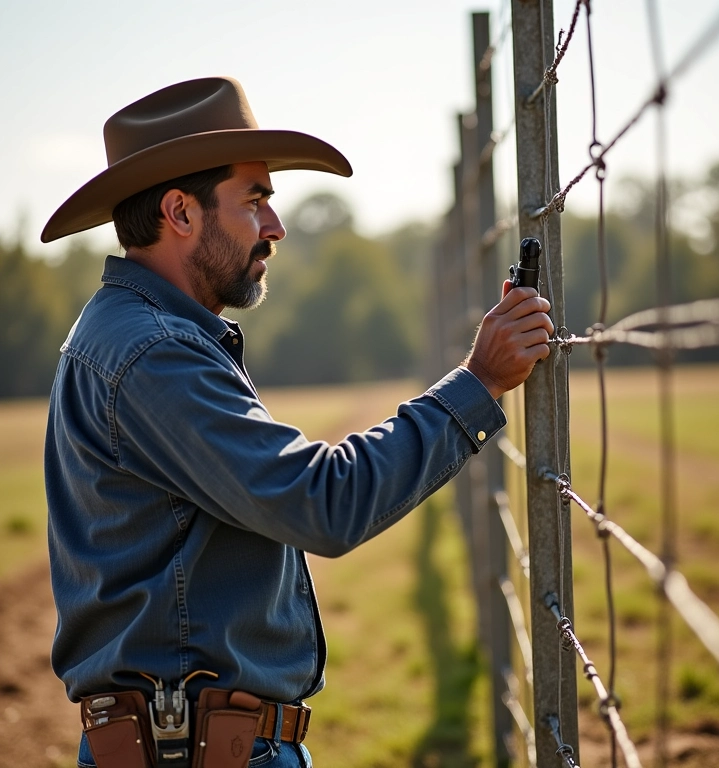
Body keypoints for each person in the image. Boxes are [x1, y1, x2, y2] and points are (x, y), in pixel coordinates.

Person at [42, 76, 554, 768]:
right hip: (195, 752)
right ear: (180, 212)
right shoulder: (154, 352)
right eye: (254, 201)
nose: (276, 227)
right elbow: (322, 501)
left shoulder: (134, 334)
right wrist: (480, 382)